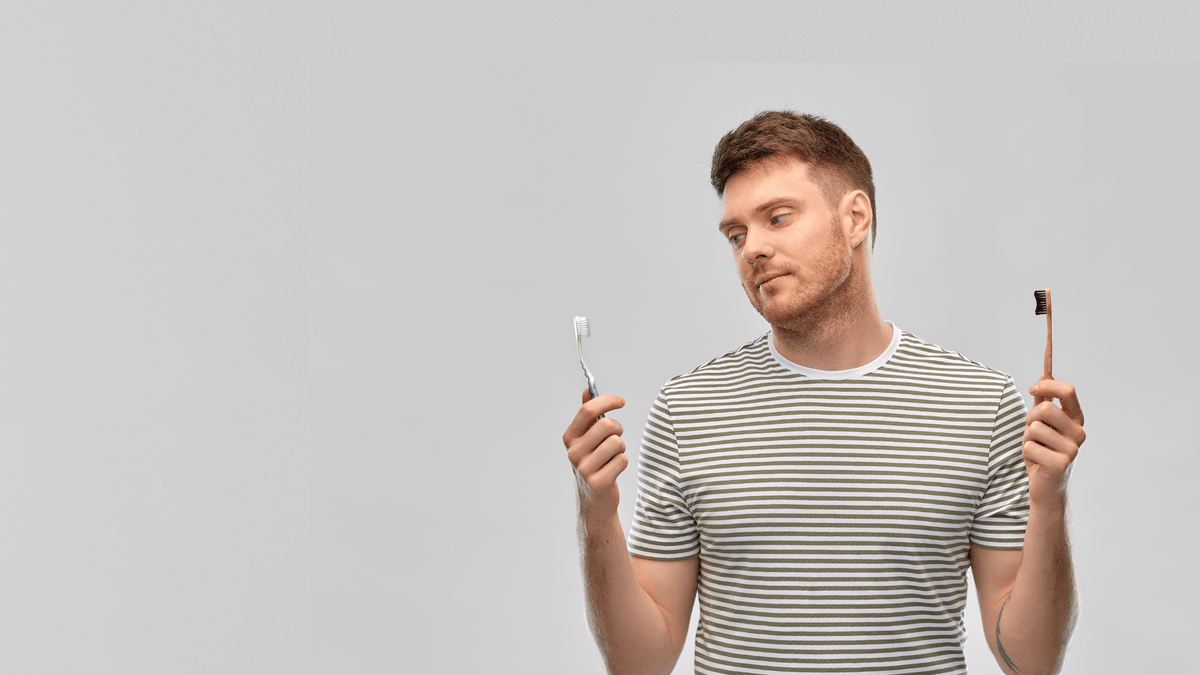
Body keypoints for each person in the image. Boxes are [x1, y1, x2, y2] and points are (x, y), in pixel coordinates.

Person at [561, 111, 1085, 675]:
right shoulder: (687, 411)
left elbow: (1028, 660)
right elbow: (640, 663)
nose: (751, 249)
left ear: (855, 217)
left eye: (778, 218)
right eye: (736, 234)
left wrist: (1050, 501)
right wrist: (597, 511)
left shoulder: (981, 404)